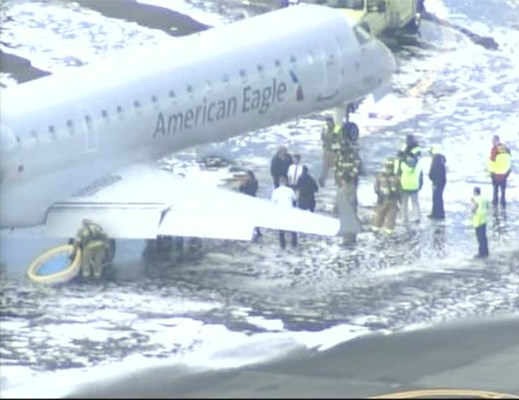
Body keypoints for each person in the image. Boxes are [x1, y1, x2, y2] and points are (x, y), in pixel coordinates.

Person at [334, 125, 362, 244]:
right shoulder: (341, 155)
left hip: (350, 181)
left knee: (350, 203)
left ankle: (350, 233)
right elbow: (337, 166)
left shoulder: (352, 155)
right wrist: (341, 177)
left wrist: (348, 177)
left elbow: (356, 167)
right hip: (344, 181)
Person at [373, 157, 400, 234]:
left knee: (381, 215)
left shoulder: (380, 176)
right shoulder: (396, 177)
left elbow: (376, 188)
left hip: (385, 200)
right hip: (389, 200)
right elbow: (399, 190)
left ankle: (377, 229)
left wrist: (379, 194)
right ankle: (384, 230)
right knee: (388, 216)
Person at [395, 147, 423, 224]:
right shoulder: (418, 165)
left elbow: (398, 174)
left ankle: (404, 218)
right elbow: (421, 176)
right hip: (415, 186)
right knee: (415, 202)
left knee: (404, 203)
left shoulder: (402, 164)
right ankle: (417, 217)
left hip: (405, 186)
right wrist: (420, 185)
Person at [271, 176, 297, 248]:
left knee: (281, 227)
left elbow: (273, 202)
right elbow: (295, 199)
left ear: (279, 182)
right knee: (292, 226)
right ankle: (294, 242)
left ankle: (283, 244)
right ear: (286, 182)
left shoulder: (275, 191)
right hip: (289, 210)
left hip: (280, 211)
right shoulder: (290, 190)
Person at [488, 135, 512, 207]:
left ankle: (495, 207)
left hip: (496, 174)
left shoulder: (494, 149)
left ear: (496, 141)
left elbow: (492, 161)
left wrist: (490, 172)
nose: (492, 142)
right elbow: (509, 160)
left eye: (493, 141)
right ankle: (503, 205)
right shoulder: (506, 149)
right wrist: (507, 172)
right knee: (503, 192)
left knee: (495, 191)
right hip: (504, 174)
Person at [238, 170, 262, 241]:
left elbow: (253, 191)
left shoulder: (255, 182)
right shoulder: (245, 181)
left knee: (254, 216)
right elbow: (240, 190)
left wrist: (245, 186)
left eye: (247, 175)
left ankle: (257, 231)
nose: (246, 177)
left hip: (252, 200)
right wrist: (242, 184)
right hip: (246, 201)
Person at [318, 116, 341, 187]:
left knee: (336, 167)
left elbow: (338, 139)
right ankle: (322, 180)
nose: (328, 124)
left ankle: (338, 181)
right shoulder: (326, 129)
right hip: (327, 151)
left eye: (329, 123)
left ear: (332, 122)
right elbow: (323, 139)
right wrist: (322, 134)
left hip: (334, 151)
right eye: (327, 123)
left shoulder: (337, 129)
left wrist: (336, 151)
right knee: (325, 167)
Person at [428, 145, 446, 220]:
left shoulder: (435, 159)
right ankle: (440, 213)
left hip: (437, 182)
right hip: (442, 181)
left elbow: (432, 172)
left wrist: (432, 178)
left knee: (436, 198)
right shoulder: (441, 159)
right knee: (439, 197)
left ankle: (436, 214)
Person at [471, 186, 489, 258]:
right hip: (484, 219)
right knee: (484, 236)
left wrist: (472, 211)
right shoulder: (485, 199)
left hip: (477, 220)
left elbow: (474, 208)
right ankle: (486, 251)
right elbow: (487, 207)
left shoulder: (475, 199)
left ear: (475, 192)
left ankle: (481, 252)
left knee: (479, 237)